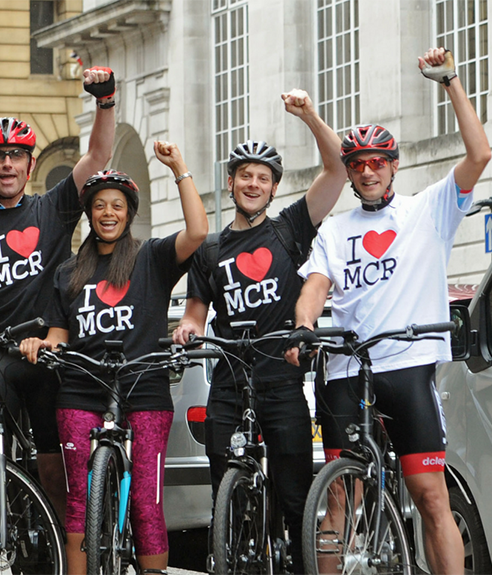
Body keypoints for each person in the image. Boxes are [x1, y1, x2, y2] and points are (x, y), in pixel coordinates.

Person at [286, 47, 491, 575]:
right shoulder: (334, 229)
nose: (369, 171)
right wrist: (305, 325)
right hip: (347, 370)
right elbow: (314, 285)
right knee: (339, 500)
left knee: (429, 495)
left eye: (378, 162)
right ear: (349, 173)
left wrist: (450, 83)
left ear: (394, 166)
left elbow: (479, 155)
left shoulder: (428, 209)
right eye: (358, 165)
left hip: (409, 366)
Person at [0, 66, 118, 525]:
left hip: (51, 355)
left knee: (55, 473)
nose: (8, 165)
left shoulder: (52, 207)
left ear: (30, 164)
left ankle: (55, 555)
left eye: (16, 156)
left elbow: (97, 157)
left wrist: (105, 101)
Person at [172, 89, 345, 575]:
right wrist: (187, 330)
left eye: (262, 178)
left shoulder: (290, 229)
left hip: (281, 377)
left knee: (293, 497)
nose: (253, 183)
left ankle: (292, 560)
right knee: (223, 494)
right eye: (244, 175)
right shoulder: (209, 250)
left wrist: (309, 115)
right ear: (231, 183)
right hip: (229, 379)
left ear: (273, 188)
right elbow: (195, 312)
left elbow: (336, 171)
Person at [18, 143, 209, 575]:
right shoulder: (69, 271)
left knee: (145, 498)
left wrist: (179, 167)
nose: (108, 213)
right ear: (89, 213)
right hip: (81, 390)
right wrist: (43, 343)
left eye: (117, 206)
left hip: (145, 389)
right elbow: (59, 331)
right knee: (79, 498)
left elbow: (197, 233)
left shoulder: (151, 258)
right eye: (100, 205)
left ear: (128, 213)